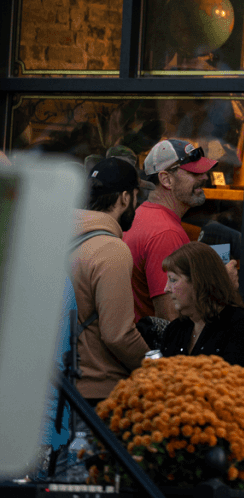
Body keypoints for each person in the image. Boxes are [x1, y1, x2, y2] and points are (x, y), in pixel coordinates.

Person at [70, 157, 155, 403]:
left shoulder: (57, 237)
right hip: (96, 392)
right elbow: (118, 335)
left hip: (59, 387)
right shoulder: (110, 250)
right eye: (137, 197)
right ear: (125, 198)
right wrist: (158, 367)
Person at [124, 138, 215, 322]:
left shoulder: (141, 215)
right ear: (166, 179)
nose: (204, 177)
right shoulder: (166, 233)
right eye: (193, 172)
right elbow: (171, 320)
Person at [160, 242, 244, 367]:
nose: (166, 288)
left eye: (173, 280)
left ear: (198, 282)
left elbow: (238, 382)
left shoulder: (237, 326)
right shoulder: (174, 330)